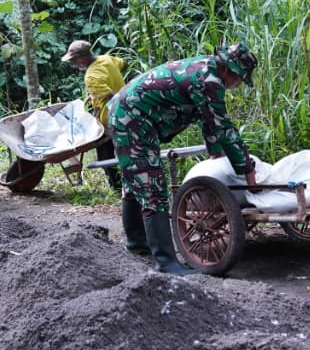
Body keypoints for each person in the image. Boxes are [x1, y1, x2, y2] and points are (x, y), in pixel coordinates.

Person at [108, 43, 259, 274]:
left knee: (134, 182)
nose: (236, 85)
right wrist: (247, 170)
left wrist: (215, 155)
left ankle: (137, 242)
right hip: (131, 117)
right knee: (151, 187)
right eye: (239, 80)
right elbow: (224, 127)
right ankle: (166, 262)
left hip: (132, 113)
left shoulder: (206, 69)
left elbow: (209, 120)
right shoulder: (209, 80)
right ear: (229, 70)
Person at [61, 39, 126, 191]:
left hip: (108, 119)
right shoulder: (107, 59)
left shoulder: (91, 77)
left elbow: (110, 96)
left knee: (105, 156)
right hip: (126, 110)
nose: (74, 64)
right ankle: (125, 181)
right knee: (123, 150)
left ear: (81, 58)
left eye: (74, 60)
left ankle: (116, 186)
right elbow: (124, 64)